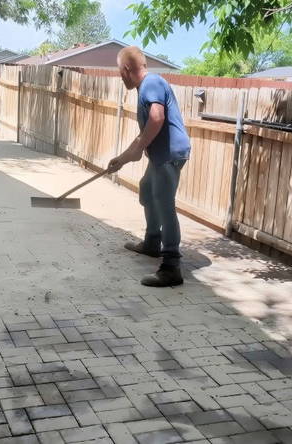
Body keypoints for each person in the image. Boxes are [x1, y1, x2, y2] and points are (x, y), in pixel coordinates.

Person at [107, 46, 190, 287]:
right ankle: (152, 242)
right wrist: (122, 159)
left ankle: (171, 265)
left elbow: (156, 118)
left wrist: (137, 150)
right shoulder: (147, 86)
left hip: (169, 154)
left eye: (119, 72)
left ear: (125, 70)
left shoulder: (151, 82)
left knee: (164, 202)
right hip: (161, 154)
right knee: (146, 190)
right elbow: (145, 133)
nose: (120, 77)